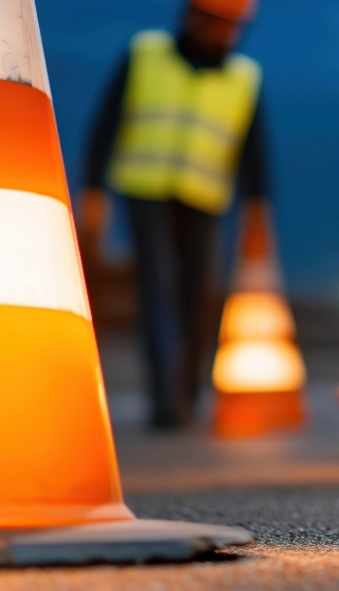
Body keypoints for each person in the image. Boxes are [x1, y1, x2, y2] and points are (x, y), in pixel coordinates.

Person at [82, 0, 270, 428]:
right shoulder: (145, 54)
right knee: (158, 288)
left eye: (233, 26)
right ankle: (168, 401)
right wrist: (94, 192)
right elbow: (105, 123)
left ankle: (186, 391)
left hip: (205, 199)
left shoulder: (244, 78)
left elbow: (254, 153)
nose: (224, 34)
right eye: (217, 23)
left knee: (198, 297)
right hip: (145, 191)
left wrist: (258, 213)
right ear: (192, 17)